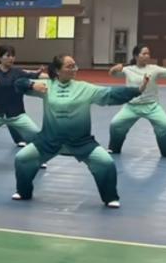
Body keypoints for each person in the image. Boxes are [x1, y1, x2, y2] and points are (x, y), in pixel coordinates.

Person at [12, 55, 149, 208]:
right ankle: (24, 192)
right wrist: (31, 84)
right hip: (48, 140)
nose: (74, 69)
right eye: (69, 66)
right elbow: (17, 83)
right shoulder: (46, 86)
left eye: (74, 66)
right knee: (22, 158)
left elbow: (111, 94)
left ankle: (110, 197)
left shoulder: (84, 88)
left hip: (81, 142)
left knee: (106, 162)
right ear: (57, 70)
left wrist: (138, 90)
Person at [107, 45, 166, 158]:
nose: (147, 56)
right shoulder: (128, 69)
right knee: (116, 124)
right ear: (136, 56)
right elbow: (112, 74)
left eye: (148, 54)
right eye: (144, 53)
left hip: (152, 106)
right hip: (131, 106)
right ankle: (114, 148)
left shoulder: (154, 69)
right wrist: (115, 68)